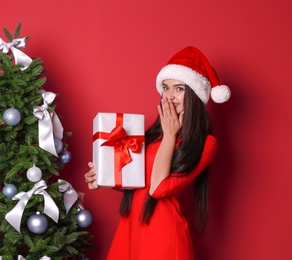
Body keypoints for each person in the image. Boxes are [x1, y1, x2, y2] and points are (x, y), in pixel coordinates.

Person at [84, 46, 231, 259]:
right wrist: (106, 177)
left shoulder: (206, 143)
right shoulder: (152, 135)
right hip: (130, 229)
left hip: (162, 236)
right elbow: (140, 183)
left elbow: (159, 189)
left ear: (194, 94)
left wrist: (171, 136)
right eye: (165, 87)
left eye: (179, 89)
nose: (170, 96)